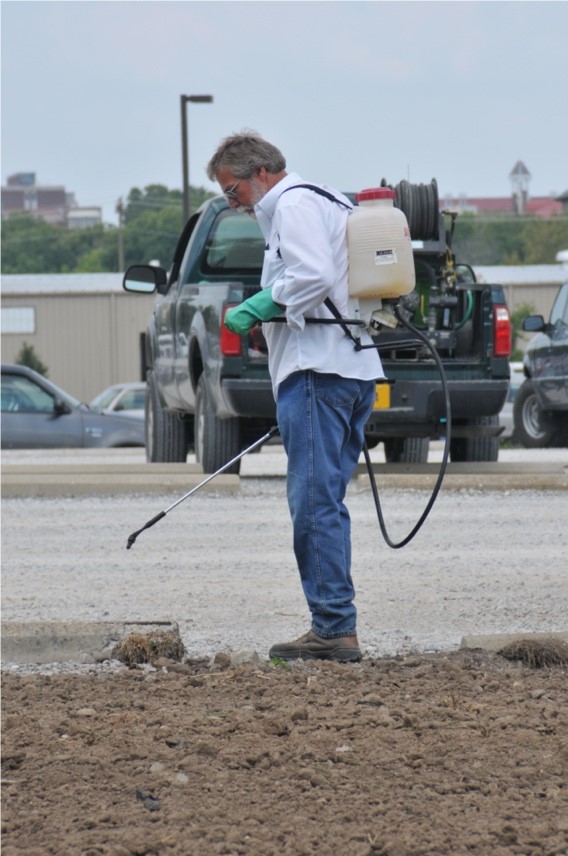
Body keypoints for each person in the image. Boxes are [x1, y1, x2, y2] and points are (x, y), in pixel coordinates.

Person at [206, 132, 384, 662]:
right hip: (350, 370)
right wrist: (277, 315)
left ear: (260, 172)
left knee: (311, 503)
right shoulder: (329, 198)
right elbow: (327, 284)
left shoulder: (293, 204)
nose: (232, 203)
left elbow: (314, 274)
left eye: (232, 190)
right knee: (325, 501)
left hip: (316, 373)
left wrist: (261, 304)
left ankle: (333, 627)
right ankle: (335, 621)